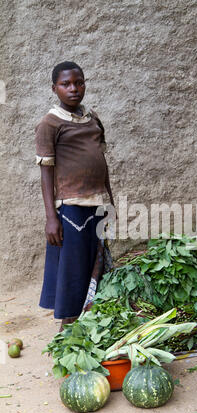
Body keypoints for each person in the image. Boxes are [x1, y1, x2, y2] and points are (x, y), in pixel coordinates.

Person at [35, 61, 115, 331]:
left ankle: (90, 320)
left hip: (97, 203)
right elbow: (46, 172)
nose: (73, 89)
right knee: (73, 267)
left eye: (79, 82)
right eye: (66, 84)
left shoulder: (92, 118)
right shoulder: (50, 123)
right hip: (71, 207)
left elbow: (101, 162)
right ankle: (68, 327)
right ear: (54, 88)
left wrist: (110, 202)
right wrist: (50, 218)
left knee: (96, 262)